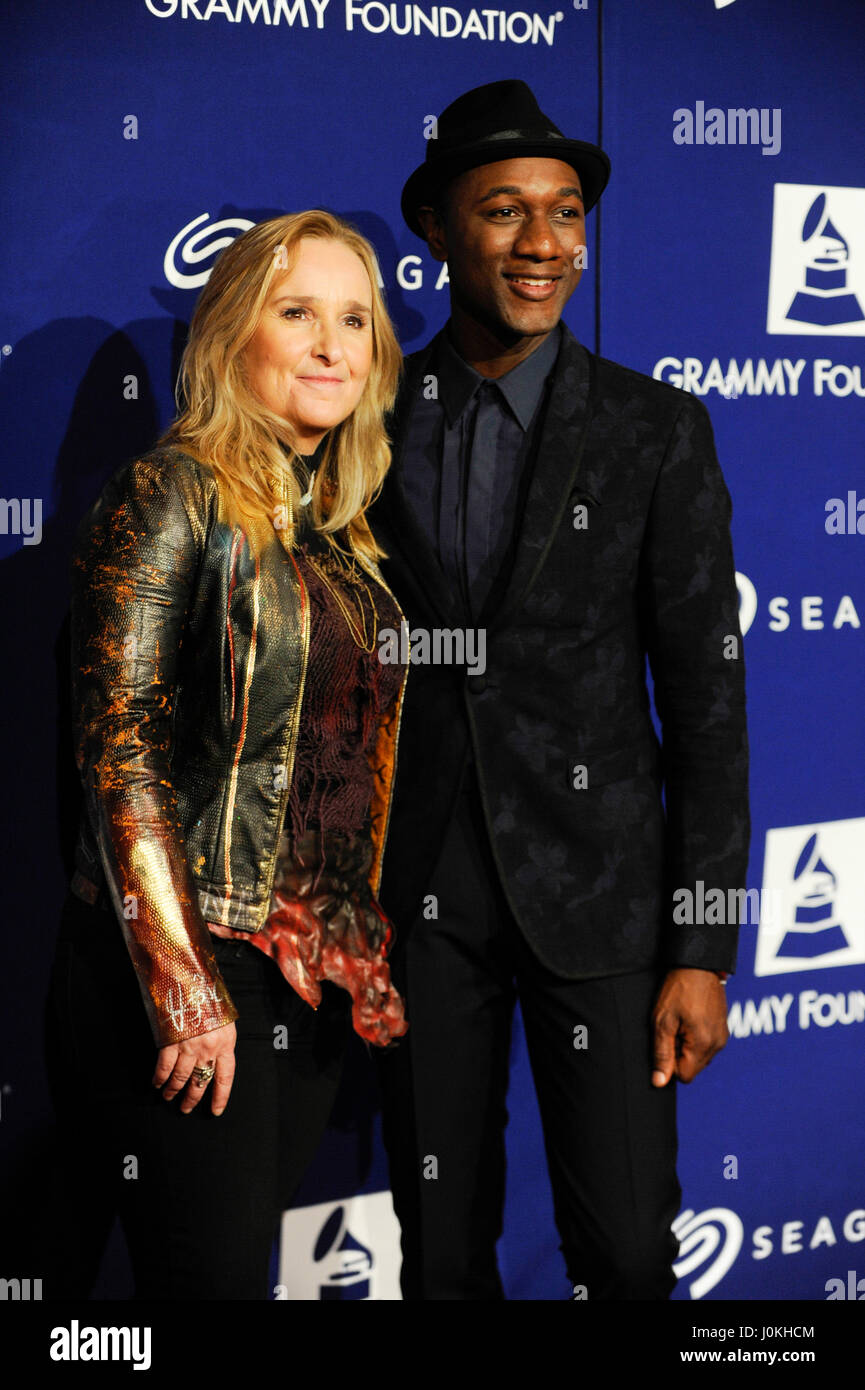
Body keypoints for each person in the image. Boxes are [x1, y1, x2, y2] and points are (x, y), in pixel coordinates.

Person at [370, 80, 750, 1300]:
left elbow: (707, 703)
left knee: (629, 1250)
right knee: (438, 1250)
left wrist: (702, 945)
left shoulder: (654, 429)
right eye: (503, 212)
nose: (544, 244)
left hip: (604, 900)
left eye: (566, 212)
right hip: (415, 895)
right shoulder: (362, 420)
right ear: (434, 227)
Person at [45, 209, 408, 1300]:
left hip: (296, 974)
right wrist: (183, 980)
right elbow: (119, 753)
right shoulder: (172, 490)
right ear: (229, 336)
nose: (331, 345)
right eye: (296, 312)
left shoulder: (339, 535)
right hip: (182, 964)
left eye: (354, 319)